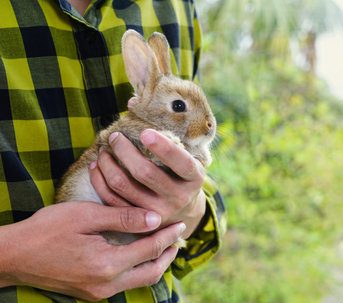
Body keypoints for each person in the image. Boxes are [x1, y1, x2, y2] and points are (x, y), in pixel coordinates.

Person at [0, 0, 226, 302]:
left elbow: (203, 203)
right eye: (178, 108)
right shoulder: (136, 128)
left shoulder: (177, 6)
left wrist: (191, 207)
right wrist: (12, 257)